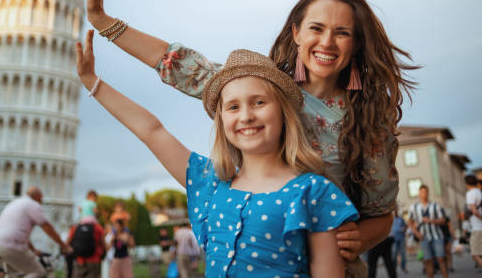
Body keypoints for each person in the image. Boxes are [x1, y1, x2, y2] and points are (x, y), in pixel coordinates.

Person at [85, 0, 417, 268]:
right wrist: (105, 24)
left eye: (342, 32)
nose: (326, 42)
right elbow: (177, 63)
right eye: (316, 28)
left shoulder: (369, 122)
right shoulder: (264, 90)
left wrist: (360, 238)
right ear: (297, 32)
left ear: (356, 42)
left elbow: (381, 215)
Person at [76, 35, 359, 277]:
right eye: (233, 107)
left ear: (283, 114)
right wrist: (93, 83)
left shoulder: (313, 192)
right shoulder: (210, 182)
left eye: (259, 102)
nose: (246, 116)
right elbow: (152, 131)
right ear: (222, 120)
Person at [0, 186, 72, 278]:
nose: (41, 202)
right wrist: (64, 245)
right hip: (10, 247)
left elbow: (21, 235)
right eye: (41, 199)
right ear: (37, 197)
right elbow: (46, 226)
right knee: (38, 272)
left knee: (16, 274)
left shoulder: (15, 203)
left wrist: (34, 250)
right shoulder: (32, 204)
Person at [407, 185, 448, 278]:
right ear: (419, 194)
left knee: (441, 259)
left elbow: (443, 220)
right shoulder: (414, 207)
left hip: (437, 236)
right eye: (422, 192)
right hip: (423, 237)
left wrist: (430, 220)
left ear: (428, 193)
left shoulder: (435, 206)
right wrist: (417, 233)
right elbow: (409, 223)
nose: (424, 194)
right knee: (428, 261)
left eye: (425, 192)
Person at [391, 209, 407, 273]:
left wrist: (404, 229)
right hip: (393, 239)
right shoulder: (391, 219)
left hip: (401, 238)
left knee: (403, 253)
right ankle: (394, 269)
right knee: (394, 254)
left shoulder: (401, 219)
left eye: (396, 211)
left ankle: (403, 268)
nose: (395, 212)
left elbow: (405, 226)